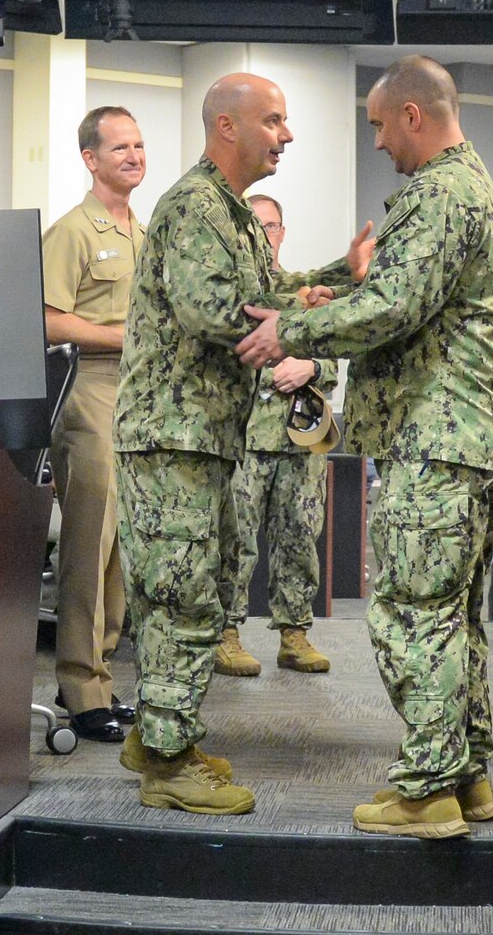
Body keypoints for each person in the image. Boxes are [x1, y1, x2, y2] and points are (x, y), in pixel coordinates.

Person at [236, 55, 493, 839]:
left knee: (411, 612)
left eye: (375, 124)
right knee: (455, 616)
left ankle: (427, 790)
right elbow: (405, 299)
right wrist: (346, 290)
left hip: (442, 437)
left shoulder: (438, 194)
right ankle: (465, 777)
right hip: (475, 436)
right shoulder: (471, 193)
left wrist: (288, 328)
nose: (374, 142)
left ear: (411, 115)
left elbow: (395, 307)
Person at [113, 73, 372, 815]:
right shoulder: (196, 207)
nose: (286, 135)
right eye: (274, 121)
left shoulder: (228, 213)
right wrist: (300, 325)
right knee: (182, 595)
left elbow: (271, 287)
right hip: (173, 437)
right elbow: (211, 310)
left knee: (195, 588)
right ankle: (165, 763)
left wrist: (333, 280)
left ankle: (163, 736)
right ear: (227, 127)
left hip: (200, 438)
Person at [41, 106, 146, 744]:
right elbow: (49, 321)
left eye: (139, 146)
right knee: (87, 544)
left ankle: (98, 675)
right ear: (90, 159)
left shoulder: (144, 229)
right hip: (89, 389)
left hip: (136, 396)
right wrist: (120, 335)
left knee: (118, 550)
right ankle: (81, 687)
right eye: (120, 148)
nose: (134, 156)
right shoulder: (73, 231)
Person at [217, 193, 337, 678]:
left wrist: (309, 363)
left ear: (283, 232)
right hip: (245, 436)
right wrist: (272, 368)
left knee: (299, 536)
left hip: (301, 436)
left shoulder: (307, 296)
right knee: (236, 539)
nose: (266, 235)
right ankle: (226, 633)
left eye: (272, 227)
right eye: (256, 226)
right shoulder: (231, 297)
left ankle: (295, 633)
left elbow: (333, 358)